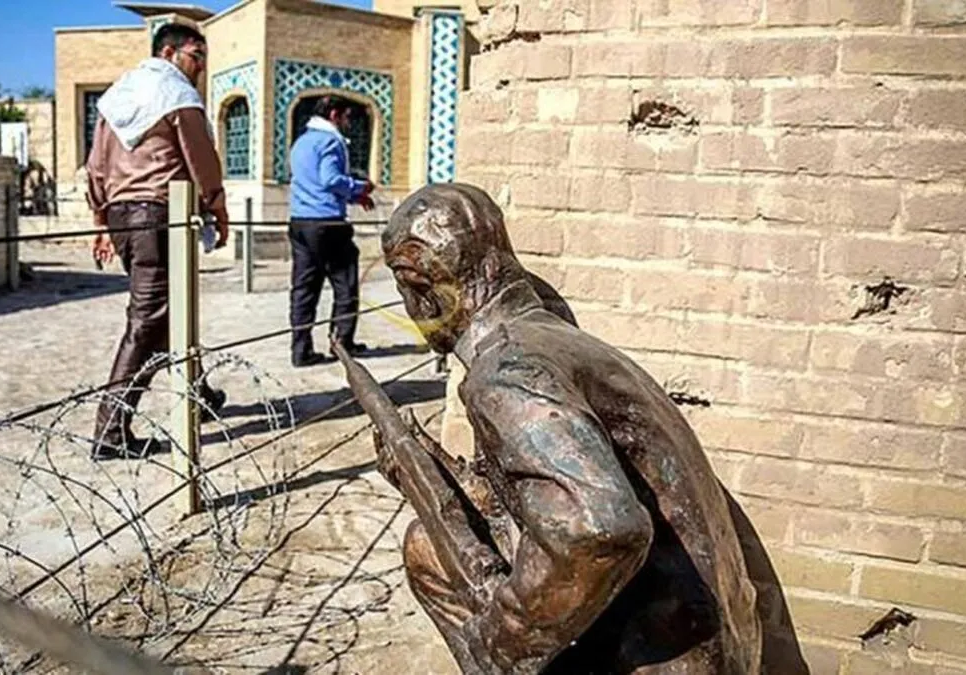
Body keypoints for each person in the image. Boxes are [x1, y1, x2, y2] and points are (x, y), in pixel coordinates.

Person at [370, 183, 763, 673]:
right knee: (434, 539)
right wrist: (448, 483)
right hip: (718, 643)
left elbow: (599, 530)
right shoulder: (559, 342)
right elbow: (560, 501)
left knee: (428, 552)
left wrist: (500, 641)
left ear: (422, 289)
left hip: (662, 658)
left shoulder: (505, 371)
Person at [85, 22, 230, 460]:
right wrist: (218, 205)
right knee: (150, 318)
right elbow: (201, 158)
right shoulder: (175, 93)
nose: (200, 67)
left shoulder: (117, 97)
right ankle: (110, 430)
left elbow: (96, 166)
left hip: (123, 217)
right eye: (195, 56)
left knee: (169, 311)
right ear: (169, 53)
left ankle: (198, 394)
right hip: (159, 215)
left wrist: (100, 219)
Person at [286, 95, 375, 367]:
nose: (348, 122)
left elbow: (313, 184)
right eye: (346, 117)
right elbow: (330, 180)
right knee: (345, 284)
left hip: (300, 222)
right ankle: (342, 344)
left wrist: (353, 198)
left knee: (304, 288)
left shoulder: (302, 142)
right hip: (328, 225)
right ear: (334, 115)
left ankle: (301, 350)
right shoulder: (330, 141)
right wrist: (360, 187)